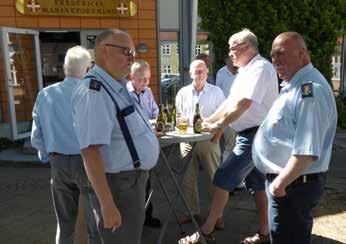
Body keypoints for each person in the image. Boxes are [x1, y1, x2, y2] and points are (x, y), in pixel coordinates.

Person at [72, 29, 159, 244]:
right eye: (126, 51)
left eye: (133, 53)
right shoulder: (95, 92)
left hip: (130, 182)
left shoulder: (114, 84)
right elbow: (90, 151)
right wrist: (107, 204)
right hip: (119, 186)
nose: (132, 58)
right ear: (104, 51)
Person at [252, 32, 337, 244]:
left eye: (281, 53)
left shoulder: (310, 90)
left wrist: (279, 185)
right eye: (272, 55)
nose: (275, 60)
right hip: (291, 185)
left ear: (303, 54)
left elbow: (307, 150)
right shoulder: (295, 85)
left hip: (293, 186)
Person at [200, 29, 278, 243]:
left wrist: (218, 125)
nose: (230, 53)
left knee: (223, 177)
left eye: (232, 48)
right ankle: (264, 232)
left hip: (257, 136)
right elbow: (230, 102)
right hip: (249, 135)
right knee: (258, 186)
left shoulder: (260, 68)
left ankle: (205, 232)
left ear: (246, 47)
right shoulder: (246, 70)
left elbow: (244, 104)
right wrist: (210, 120)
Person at [31, 46, 100, 244]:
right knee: (94, 223)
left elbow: (36, 137)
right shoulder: (92, 92)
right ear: (87, 69)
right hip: (87, 162)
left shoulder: (45, 94)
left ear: (65, 68)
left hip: (58, 163)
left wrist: (47, 155)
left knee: (65, 223)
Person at [175, 59, 225, 226]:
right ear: (190, 73)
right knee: (187, 179)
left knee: (215, 178)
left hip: (208, 139)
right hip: (187, 140)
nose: (199, 74)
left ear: (207, 72)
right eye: (196, 71)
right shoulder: (182, 92)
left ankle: (217, 216)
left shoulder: (216, 91)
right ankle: (192, 212)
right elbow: (178, 117)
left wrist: (217, 138)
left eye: (202, 71)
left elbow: (224, 118)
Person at [127, 60, 161, 228]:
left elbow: (155, 112)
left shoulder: (147, 92)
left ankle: (146, 216)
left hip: (147, 142)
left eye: (147, 79)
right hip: (131, 146)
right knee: (135, 184)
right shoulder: (125, 94)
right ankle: (135, 220)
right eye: (141, 79)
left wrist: (154, 122)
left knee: (147, 181)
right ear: (132, 77)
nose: (145, 83)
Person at [215, 56, 239, 161]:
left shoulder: (244, 72)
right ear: (226, 60)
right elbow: (218, 93)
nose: (234, 62)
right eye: (231, 59)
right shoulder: (221, 73)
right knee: (230, 145)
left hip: (244, 113)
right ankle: (226, 170)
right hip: (227, 113)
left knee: (243, 145)